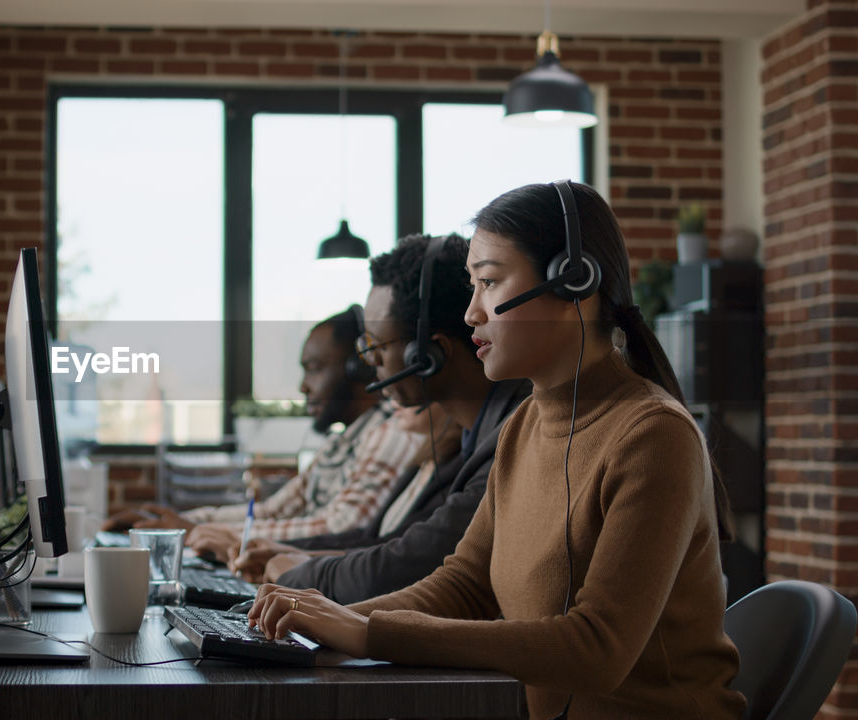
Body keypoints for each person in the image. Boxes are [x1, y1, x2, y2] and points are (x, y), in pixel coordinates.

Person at [248, 182, 744, 719]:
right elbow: (463, 585)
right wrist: (321, 625)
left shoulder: (653, 435)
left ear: (573, 281)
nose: (470, 313)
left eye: (488, 282)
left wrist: (368, 634)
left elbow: (596, 650)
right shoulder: (523, 424)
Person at [228, 233, 531, 605]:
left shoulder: (510, 437)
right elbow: (393, 544)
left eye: (375, 347)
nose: (369, 366)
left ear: (426, 354)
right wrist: (292, 558)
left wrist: (296, 572)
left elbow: (407, 566)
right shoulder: (468, 442)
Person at [104, 309, 425, 558]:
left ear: (361, 369)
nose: (303, 386)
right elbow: (274, 510)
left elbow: (340, 527)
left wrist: (200, 532)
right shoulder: (342, 441)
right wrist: (175, 523)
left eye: (314, 368)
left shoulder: (390, 429)